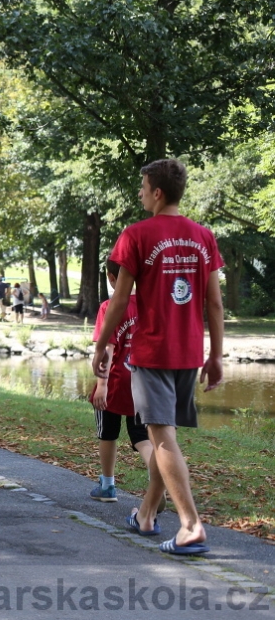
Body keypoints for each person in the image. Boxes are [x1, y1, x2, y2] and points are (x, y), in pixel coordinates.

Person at [94, 159, 224, 556]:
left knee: (162, 439)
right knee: (165, 439)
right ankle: (146, 515)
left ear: (157, 193)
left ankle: (190, 525)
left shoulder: (135, 235)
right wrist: (216, 355)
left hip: (151, 353)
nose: (140, 192)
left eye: (143, 186)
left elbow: (119, 301)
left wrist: (101, 343)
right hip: (188, 353)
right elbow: (214, 303)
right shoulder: (203, 236)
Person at [89, 261, 155, 504]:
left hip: (116, 381)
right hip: (145, 381)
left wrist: (102, 385)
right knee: (141, 436)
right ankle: (157, 478)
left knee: (108, 433)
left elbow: (107, 348)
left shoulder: (110, 307)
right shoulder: (149, 307)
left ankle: (107, 486)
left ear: (110, 277)